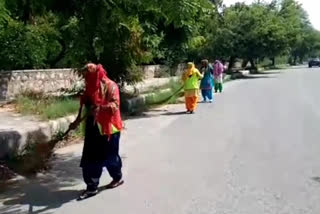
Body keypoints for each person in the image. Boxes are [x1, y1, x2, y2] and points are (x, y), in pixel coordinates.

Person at [70, 63, 124, 200]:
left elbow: (115, 105)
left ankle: (117, 177)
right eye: (85, 77)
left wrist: (101, 107)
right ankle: (92, 187)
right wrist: (76, 121)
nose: (86, 79)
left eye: (88, 76)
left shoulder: (111, 86)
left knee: (110, 158)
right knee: (90, 158)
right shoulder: (90, 88)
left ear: (96, 74)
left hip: (108, 129)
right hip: (93, 128)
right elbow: (85, 108)